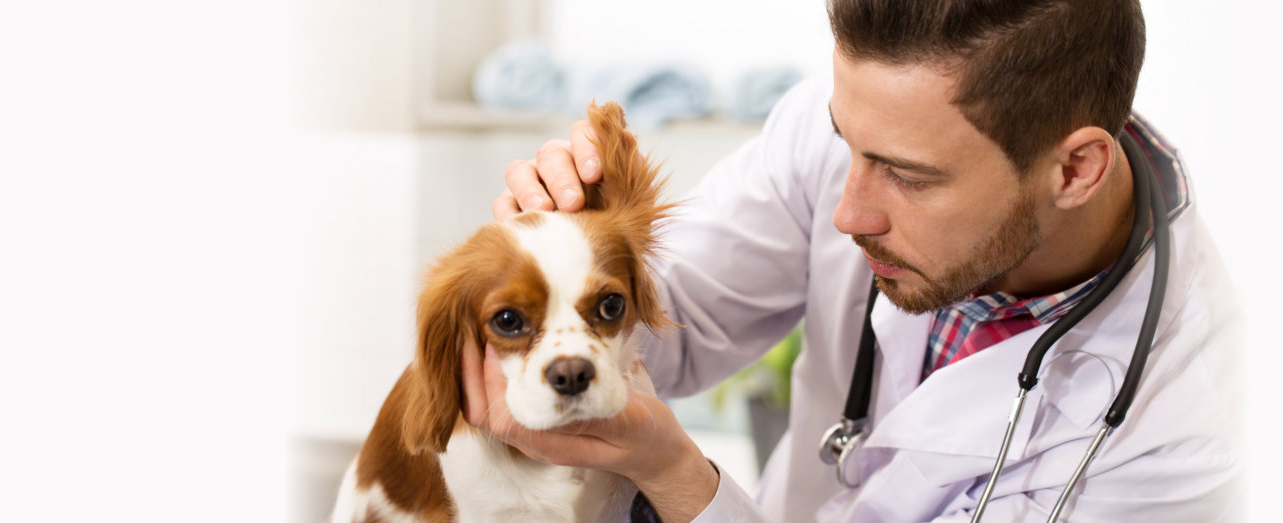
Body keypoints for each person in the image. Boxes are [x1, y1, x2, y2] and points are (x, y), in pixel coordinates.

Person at [458, 0, 1241, 520]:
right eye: (846, 143)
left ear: (1074, 170)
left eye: (909, 175)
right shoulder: (860, 128)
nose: (848, 210)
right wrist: (577, 266)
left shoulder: (1184, 432)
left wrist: (681, 480)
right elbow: (673, 326)